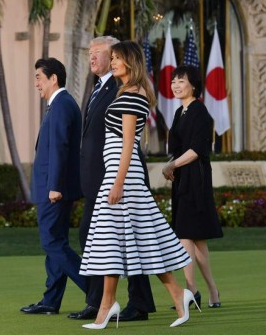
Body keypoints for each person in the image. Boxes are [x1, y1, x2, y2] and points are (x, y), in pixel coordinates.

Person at [80, 41, 197, 330]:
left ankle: (108, 306)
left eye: (118, 58)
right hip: (118, 175)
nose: (113, 62)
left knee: (117, 240)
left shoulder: (133, 95)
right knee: (135, 242)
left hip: (124, 177)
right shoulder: (125, 92)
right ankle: (174, 294)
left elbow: (129, 144)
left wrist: (117, 183)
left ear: (130, 63)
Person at [69, 36, 156, 322]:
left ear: (117, 57)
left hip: (117, 177)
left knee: (128, 241)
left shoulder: (123, 86)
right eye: (89, 53)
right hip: (99, 177)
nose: (92, 58)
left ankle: (132, 303)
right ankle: (99, 302)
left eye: (99, 53)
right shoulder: (100, 88)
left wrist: (117, 181)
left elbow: (129, 141)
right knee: (98, 239)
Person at [20, 57, 87, 315]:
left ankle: (96, 290)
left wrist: (55, 186)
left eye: (39, 77)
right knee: (56, 243)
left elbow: (60, 148)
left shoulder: (61, 105)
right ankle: (51, 300)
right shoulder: (59, 104)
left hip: (54, 189)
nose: (35, 83)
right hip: (53, 187)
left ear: (53, 78)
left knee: (52, 243)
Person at [161, 65, 223, 310]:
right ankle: (212, 290)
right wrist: (172, 166)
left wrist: (172, 165)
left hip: (195, 182)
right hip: (181, 180)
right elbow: (178, 148)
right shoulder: (179, 113)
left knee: (185, 234)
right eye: (174, 81)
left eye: (181, 81)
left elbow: (197, 150)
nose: (176, 85)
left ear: (194, 86)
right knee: (197, 242)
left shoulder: (200, 113)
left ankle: (190, 290)